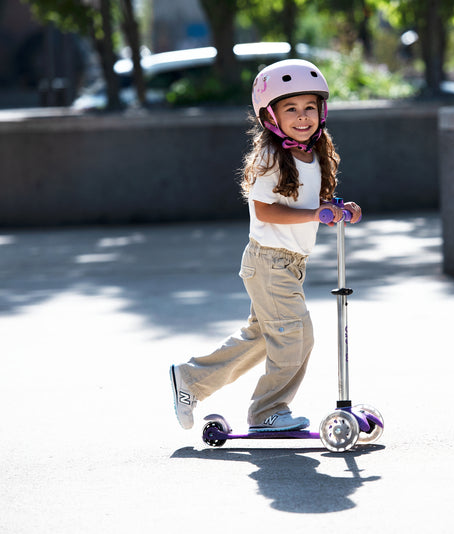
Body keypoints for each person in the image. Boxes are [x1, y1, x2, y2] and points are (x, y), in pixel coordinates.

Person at [169, 59, 361, 433]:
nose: (302, 117)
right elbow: (266, 211)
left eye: (310, 107)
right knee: (295, 337)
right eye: (291, 109)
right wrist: (314, 215)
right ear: (270, 116)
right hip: (269, 262)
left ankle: (190, 379)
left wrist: (338, 208)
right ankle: (267, 411)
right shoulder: (271, 156)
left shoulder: (316, 150)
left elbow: (311, 202)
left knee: (262, 339)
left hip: (288, 264)